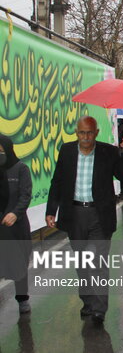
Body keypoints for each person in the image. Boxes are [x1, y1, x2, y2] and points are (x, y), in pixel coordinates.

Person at [45, 116, 123, 324]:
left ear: (95, 133)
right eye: (81, 133)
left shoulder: (108, 152)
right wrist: (51, 210)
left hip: (99, 216)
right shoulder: (67, 151)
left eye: (89, 133)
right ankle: (88, 301)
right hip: (74, 214)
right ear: (77, 133)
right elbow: (57, 181)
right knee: (82, 262)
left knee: (98, 263)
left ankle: (99, 309)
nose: (85, 137)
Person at [0, 135, 32, 315]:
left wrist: (15, 213)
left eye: (1, 150)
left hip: (16, 226)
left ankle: (22, 299)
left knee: (19, 265)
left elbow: (25, 195)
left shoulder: (21, 169)